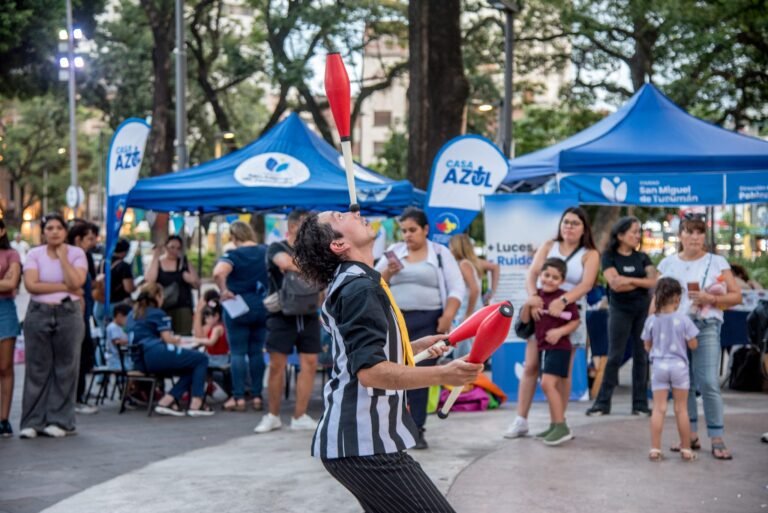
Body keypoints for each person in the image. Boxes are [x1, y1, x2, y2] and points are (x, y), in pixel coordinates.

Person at [293, 210, 483, 513]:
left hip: (365, 443)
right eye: (340, 216)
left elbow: (361, 351)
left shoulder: (358, 281)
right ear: (338, 244)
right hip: (363, 445)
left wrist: (412, 346)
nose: (354, 213)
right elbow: (371, 372)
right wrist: (444, 375)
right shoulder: (360, 287)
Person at [505, 206, 599, 439]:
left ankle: (558, 421)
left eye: (575, 223)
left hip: (569, 314)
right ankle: (521, 420)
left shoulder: (590, 253)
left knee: (561, 373)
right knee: (530, 366)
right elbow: (532, 273)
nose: (569, 226)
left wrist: (563, 299)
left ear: (584, 228)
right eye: (566, 222)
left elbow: (586, 284)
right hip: (540, 311)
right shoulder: (549, 245)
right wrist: (533, 297)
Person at [375, 208, 465, 449]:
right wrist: (388, 273)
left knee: (420, 373)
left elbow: (457, 288)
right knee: (394, 371)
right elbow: (374, 283)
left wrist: (447, 316)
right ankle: (393, 426)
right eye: (404, 231)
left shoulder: (439, 253)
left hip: (429, 321)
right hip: (397, 321)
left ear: (425, 230)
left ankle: (417, 428)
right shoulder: (394, 254)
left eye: (412, 230)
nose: (407, 235)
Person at [657, 214, 742, 460]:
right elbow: (658, 299)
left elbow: (736, 296)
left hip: (706, 325)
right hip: (676, 327)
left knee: (708, 381)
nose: (695, 237)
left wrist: (712, 299)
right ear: (680, 235)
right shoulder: (668, 264)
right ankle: (690, 435)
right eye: (689, 231)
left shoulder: (717, 261)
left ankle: (716, 436)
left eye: (699, 232)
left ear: (704, 236)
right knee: (683, 384)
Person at [19, 214, 87, 439]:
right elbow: (31, 285)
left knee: (66, 368)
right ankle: (32, 421)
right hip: (39, 313)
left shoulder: (76, 253)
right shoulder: (34, 254)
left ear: (66, 232)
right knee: (37, 368)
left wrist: (63, 258)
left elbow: (77, 282)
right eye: (50, 228)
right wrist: (65, 286)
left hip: (68, 312)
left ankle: (60, 421)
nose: (55, 232)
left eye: (59, 228)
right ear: (43, 232)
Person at [254, 210, 321, 433]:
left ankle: (300, 415)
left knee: (310, 363)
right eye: (306, 226)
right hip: (281, 314)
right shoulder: (276, 247)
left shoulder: (314, 251)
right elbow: (286, 263)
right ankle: (272, 415)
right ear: (292, 227)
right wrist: (315, 267)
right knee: (276, 365)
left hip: (309, 313)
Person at [586, 216, 657, 416]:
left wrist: (627, 279)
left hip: (641, 310)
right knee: (614, 355)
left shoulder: (642, 257)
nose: (637, 235)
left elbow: (653, 281)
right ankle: (602, 403)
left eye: (638, 232)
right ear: (620, 234)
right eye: (633, 232)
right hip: (619, 311)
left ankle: (640, 404)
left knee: (641, 356)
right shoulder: (609, 256)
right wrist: (638, 280)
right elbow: (614, 283)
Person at [518, 257, 581, 445]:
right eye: (546, 275)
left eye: (555, 277)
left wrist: (560, 331)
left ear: (561, 281)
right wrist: (529, 304)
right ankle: (554, 424)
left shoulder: (565, 298)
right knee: (546, 384)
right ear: (540, 275)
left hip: (560, 348)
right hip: (542, 348)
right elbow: (525, 320)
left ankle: (561, 425)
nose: (549, 280)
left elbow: (576, 321)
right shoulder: (536, 296)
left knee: (547, 384)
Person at [126, 283, 213, 417]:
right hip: (155, 353)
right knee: (201, 359)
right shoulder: (157, 313)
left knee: (192, 366)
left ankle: (167, 401)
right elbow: (167, 338)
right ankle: (197, 402)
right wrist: (177, 339)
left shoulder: (132, 314)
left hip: (139, 360)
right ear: (157, 296)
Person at [212, 221, 268, 412]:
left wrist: (224, 290)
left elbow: (218, 273)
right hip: (262, 307)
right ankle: (257, 396)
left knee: (237, 353)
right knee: (256, 352)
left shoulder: (232, 255)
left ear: (234, 237)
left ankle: (238, 398)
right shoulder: (265, 251)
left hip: (238, 308)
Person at [643, 278, 699, 462]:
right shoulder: (683, 320)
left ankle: (655, 449)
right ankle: (686, 449)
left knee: (658, 409)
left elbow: (647, 345)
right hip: (679, 367)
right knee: (681, 409)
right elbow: (693, 344)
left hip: (659, 366)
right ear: (677, 299)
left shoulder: (651, 320)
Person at [448, 233, 500, 359]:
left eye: (450, 246)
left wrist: (468, 313)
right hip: (473, 310)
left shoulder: (463, 264)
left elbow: (475, 289)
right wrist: (491, 291)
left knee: (463, 352)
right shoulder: (474, 262)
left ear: (455, 247)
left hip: (468, 311)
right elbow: (495, 267)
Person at [68, 222, 100, 415]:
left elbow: (90, 285)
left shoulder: (86, 256)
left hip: (85, 312)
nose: (93, 242)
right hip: (75, 313)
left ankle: (79, 394)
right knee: (76, 355)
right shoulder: (70, 256)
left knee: (85, 354)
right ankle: (74, 397)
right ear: (78, 239)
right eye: (89, 238)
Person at [145, 235, 199, 335]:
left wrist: (190, 279)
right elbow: (150, 280)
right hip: (162, 304)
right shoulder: (158, 262)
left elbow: (197, 284)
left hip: (182, 306)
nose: (175, 251)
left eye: (178, 248)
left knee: (183, 334)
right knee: (164, 334)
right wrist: (155, 257)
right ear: (165, 247)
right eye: (172, 247)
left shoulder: (184, 263)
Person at [0, 220, 21, 438]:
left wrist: (7, 282)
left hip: (4, 310)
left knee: (5, 367)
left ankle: (3, 418)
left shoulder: (11, 254)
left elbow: (11, 283)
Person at [93, 238, 135, 329]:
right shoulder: (124, 266)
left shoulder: (103, 262)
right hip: (118, 306)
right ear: (125, 251)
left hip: (100, 304)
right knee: (119, 334)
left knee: (105, 333)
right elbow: (128, 288)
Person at [105, 303, 132, 371]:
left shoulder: (121, 327)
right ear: (119, 316)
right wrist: (129, 341)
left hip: (122, 358)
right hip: (115, 360)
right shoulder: (113, 327)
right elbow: (117, 342)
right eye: (127, 318)